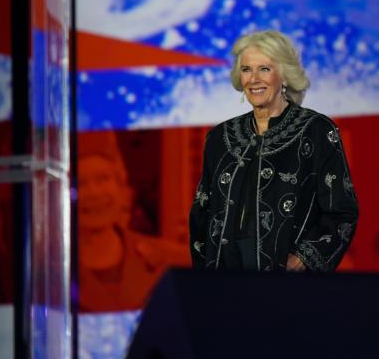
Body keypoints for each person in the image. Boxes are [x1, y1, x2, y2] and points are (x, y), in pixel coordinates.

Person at [189, 30, 358, 271]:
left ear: (285, 76)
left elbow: (342, 212)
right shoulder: (219, 138)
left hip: (285, 283)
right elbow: (201, 214)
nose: (254, 79)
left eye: (264, 69)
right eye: (246, 69)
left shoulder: (317, 131)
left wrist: (302, 260)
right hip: (223, 278)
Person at [78, 131, 186, 312]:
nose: (94, 193)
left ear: (121, 188)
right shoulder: (43, 271)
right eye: (80, 183)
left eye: (103, 178)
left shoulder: (175, 261)